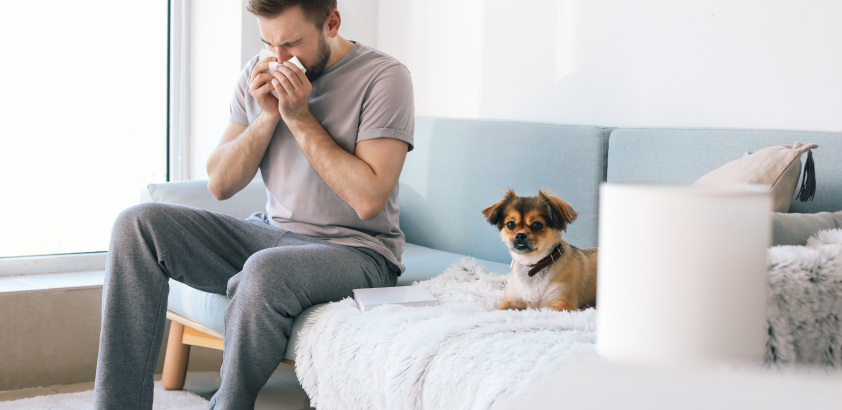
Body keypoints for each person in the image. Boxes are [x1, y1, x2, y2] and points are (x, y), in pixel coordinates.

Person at [93, 0, 414, 408]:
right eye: (268, 43)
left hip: (357, 252)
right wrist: (267, 117)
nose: (278, 59)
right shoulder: (257, 71)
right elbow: (220, 183)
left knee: (263, 270)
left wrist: (298, 118)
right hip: (269, 232)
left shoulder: (384, 78)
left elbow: (368, 199)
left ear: (331, 23)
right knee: (136, 225)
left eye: (292, 44)